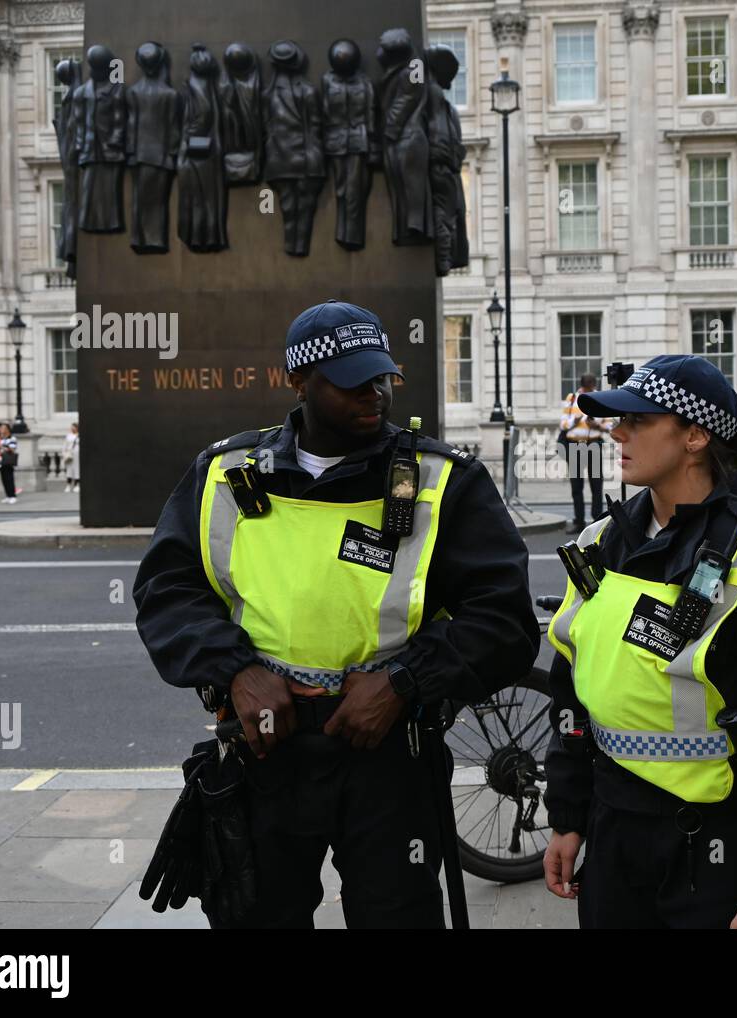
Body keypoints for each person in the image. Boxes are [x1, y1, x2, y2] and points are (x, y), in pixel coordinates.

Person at [133, 300, 539, 929]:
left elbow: (505, 621)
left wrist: (405, 683)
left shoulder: (441, 480)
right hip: (266, 749)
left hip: (390, 754)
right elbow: (168, 589)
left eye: (382, 378)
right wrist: (238, 672)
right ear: (298, 381)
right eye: (352, 382)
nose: (373, 395)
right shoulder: (224, 474)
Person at [542, 354, 737, 928]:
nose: (618, 433)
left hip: (711, 851)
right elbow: (572, 692)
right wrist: (567, 814)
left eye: (638, 420)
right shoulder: (602, 541)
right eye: (617, 420)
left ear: (696, 436)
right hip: (613, 840)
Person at [560, 372, 610, 532]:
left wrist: (598, 426)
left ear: (594, 386)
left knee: (596, 485)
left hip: (593, 444)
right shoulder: (572, 398)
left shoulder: (601, 397)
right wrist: (573, 422)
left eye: (591, 388)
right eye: (586, 389)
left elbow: (609, 425)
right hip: (574, 445)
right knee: (576, 487)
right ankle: (579, 522)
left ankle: (596, 522)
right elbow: (562, 424)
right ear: (582, 387)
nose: (589, 391)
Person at [0, 424, 20, 504]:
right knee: (4, 479)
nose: (1, 430)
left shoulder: (12, 438)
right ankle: (8, 495)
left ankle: (13, 496)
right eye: (1, 428)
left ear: (7, 429)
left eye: (3, 428)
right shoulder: (2, 439)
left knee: (9, 479)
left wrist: (3, 447)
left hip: (8, 461)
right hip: (1, 461)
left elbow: (12, 449)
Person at [63, 422, 80, 493]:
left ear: (77, 428)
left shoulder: (79, 436)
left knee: (77, 470)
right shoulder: (68, 436)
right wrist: (64, 453)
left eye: (74, 427)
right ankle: (68, 485)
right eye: (71, 427)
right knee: (69, 470)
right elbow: (64, 445)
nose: (72, 428)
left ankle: (77, 485)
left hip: (77, 455)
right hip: (69, 454)